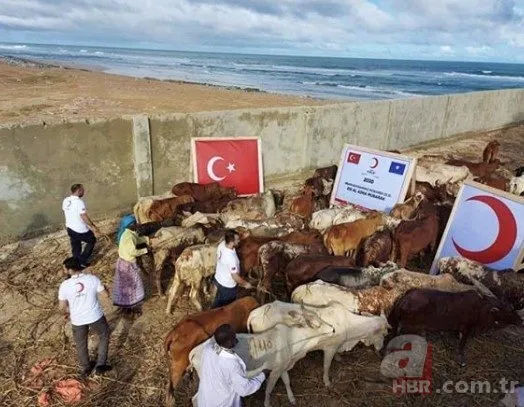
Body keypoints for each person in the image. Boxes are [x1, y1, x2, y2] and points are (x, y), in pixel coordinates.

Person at [58, 257, 112, 378]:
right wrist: (107, 289)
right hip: (95, 316)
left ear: (70, 270)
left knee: (81, 343)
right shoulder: (92, 279)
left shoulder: (64, 285)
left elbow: (62, 307)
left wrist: (67, 313)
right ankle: (100, 365)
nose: (64, 271)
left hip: (77, 320)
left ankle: (86, 367)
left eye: (65, 269)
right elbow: (105, 295)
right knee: (104, 335)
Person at [194, 324, 267, 407]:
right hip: (223, 403)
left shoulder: (208, 349)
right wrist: (262, 375)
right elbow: (244, 390)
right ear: (228, 342)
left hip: (205, 400)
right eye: (234, 338)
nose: (237, 340)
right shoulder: (232, 364)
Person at [112, 221, 150, 315]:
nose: (137, 225)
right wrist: (145, 250)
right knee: (135, 285)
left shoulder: (127, 233)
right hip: (128, 265)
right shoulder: (130, 237)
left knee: (124, 286)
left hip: (122, 262)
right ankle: (133, 307)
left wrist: (148, 239)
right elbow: (133, 252)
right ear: (131, 225)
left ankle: (125, 306)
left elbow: (138, 239)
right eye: (135, 224)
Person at [212, 229, 252, 309]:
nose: (239, 241)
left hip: (218, 278)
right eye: (237, 239)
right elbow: (235, 276)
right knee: (226, 308)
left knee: (217, 303)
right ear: (232, 241)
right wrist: (246, 284)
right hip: (227, 287)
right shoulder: (231, 258)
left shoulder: (222, 244)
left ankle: (212, 314)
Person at [62, 184, 100, 268]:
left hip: (70, 228)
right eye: (83, 190)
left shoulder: (66, 200)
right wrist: (92, 225)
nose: (84, 192)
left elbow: (68, 211)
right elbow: (83, 216)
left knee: (76, 245)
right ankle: (82, 261)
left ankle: (75, 263)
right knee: (92, 240)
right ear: (78, 191)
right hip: (80, 229)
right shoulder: (79, 202)